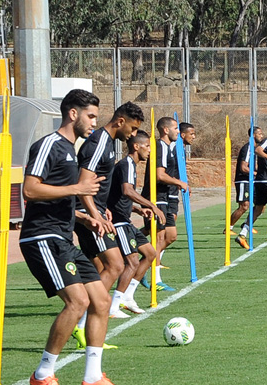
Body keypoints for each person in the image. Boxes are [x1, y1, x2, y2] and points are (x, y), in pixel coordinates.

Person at [22, 89, 128, 385]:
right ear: (73, 114)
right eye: (90, 116)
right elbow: (30, 190)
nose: (94, 122)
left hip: (64, 236)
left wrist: (83, 217)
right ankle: (43, 374)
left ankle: (93, 378)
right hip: (42, 237)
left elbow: (60, 196)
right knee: (78, 302)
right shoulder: (50, 145)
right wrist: (77, 188)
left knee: (101, 301)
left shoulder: (71, 149)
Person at [73, 102, 144, 333]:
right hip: (87, 214)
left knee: (99, 269)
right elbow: (83, 183)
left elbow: (98, 183)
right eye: (132, 128)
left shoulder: (109, 143)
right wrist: (95, 214)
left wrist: (103, 208)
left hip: (96, 210)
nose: (133, 134)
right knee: (115, 265)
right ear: (120, 121)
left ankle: (84, 319)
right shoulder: (99, 143)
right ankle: (81, 320)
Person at [108, 131, 165, 316]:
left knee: (150, 253)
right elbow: (127, 191)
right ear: (136, 146)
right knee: (132, 262)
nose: (149, 150)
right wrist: (151, 205)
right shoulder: (126, 164)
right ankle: (113, 306)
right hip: (118, 222)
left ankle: (128, 297)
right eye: (147, 146)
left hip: (126, 220)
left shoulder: (131, 165)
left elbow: (119, 197)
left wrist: (137, 209)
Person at [141, 117, 190, 291]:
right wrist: (179, 183)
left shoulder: (172, 147)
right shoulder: (159, 146)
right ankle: (155, 279)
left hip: (167, 196)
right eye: (175, 128)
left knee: (171, 236)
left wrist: (181, 183)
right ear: (165, 130)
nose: (178, 131)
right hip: (155, 196)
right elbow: (159, 175)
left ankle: (142, 264)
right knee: (159, 237)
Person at [229, 127, 263, 234]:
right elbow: (243, 168)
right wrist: (256, 173)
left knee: (261, 205)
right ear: (253, 135)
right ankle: (229, 228)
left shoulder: (255, 148)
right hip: (243, 180)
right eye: (259, 134)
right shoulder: (248, 148)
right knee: (244, 206)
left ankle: (246, 225)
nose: (261, 136)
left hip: (252, 181)